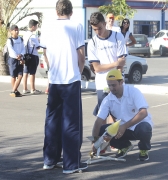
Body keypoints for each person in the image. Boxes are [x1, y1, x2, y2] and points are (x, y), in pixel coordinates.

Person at [40, 0, 87, 174]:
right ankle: (70, 164)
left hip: (55, 80)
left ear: (56, 11)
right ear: (71, 11)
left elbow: (45, 53)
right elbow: (81, 55)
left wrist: (52, 71)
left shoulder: (47, 26)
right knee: (71, 122)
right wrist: (78, 71)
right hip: (70, 80)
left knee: (52, 120)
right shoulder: (77, 26)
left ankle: (49, 160)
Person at [92, 69, 153, 161]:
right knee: (102, 130)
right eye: (109, 85)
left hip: (138, 125)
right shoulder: (108, 99)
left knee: (145, 128)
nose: (111, 88)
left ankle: (144, 149)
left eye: (114, 85)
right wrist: (95, 142)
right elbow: (98, 121)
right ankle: (124, 146)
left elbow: (143, 113)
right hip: (122, 128)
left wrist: (125, 126)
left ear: (121, 82)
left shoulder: (134, 92)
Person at [87, 12, 127, 120]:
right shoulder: (92, 43)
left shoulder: (117, 36)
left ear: (104, 24)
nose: (97, 32)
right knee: (102, 115)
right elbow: (97, 68)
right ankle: (102, 136)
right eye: (94, 29)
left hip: (117, 81)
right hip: (101, 83)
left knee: (117, 115)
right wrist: (115, 63)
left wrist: (115, 82)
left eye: (99, 28)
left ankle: (114, 136)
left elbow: (121, 63)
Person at [22, 19, 42, 94]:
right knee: (32, 72)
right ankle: (32, 89)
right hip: (33, 55)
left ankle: (25, 88)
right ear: (33, 26)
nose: (37, 27)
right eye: (36, 26)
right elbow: (38, 46)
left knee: (25, 72)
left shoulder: (25, 34)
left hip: (26, 55)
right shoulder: (33, 36)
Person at [7, 25, 25, 97]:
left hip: (20, 58)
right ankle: (15, 91)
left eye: (17, 30)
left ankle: (13, 90)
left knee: (20, 75)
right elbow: (11, 50)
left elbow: (23, 48)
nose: (17, 31)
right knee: (13, 76)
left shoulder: (20, 39)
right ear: (11, 31)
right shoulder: (10, 40)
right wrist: (16, 56)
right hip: (13, 59)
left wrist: (21, 55)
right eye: (15, 30)